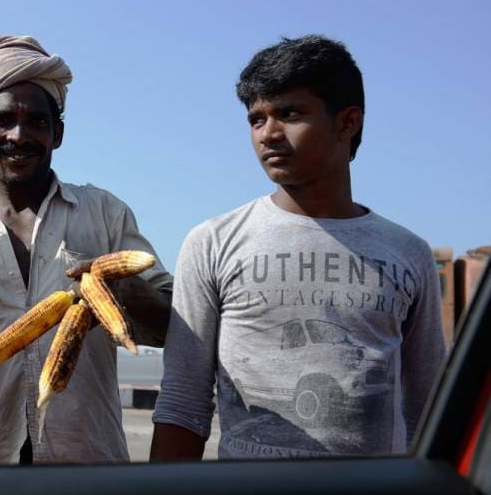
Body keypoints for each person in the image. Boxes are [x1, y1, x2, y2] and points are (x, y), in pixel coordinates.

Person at [150, 35, 444, 460]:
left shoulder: (408, 253)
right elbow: (183, 402)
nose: (269, 134)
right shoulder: (213, 242)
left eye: (290, 114)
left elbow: (427, 408)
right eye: (256, 119)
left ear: (347, 122)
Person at [0, 35, 173, 467]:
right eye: (3, 120)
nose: (19, 136)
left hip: (90, 468)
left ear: (57, 134)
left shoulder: (105, 214)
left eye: (37, 122)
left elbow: (171, 326)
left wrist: (125, 293)